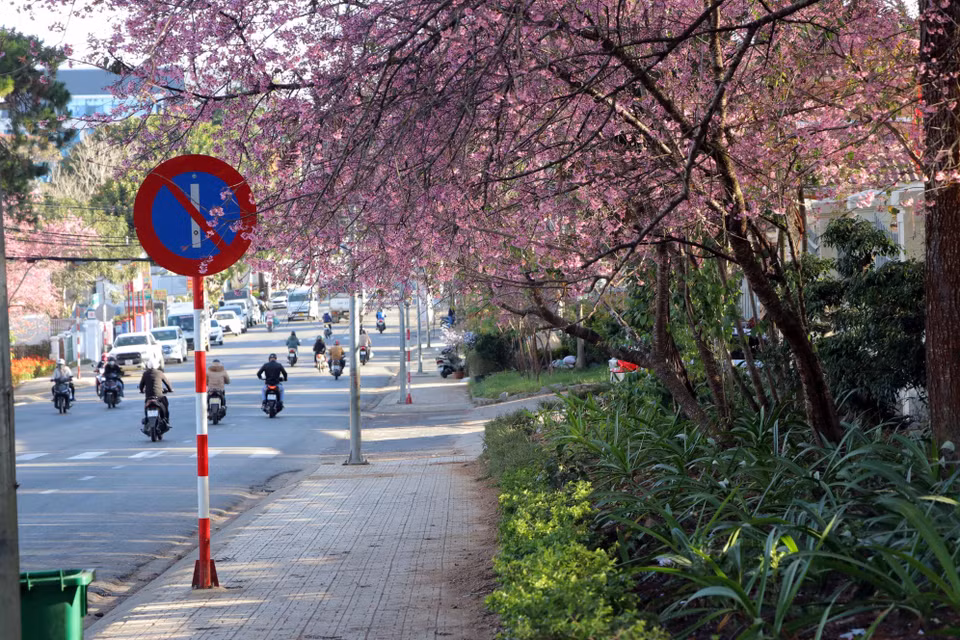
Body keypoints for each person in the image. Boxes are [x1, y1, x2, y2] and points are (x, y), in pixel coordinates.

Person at [138, 359, 173, 425]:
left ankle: (146, 419)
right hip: (159, 396)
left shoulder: (145, 374)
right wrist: (170, 389)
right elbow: (167, 383)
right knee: (165, 406)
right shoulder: (160, 373)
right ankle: (166, 420)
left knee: (146, 406)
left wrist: (141, 390)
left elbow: (141, 385)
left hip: (149, 396)